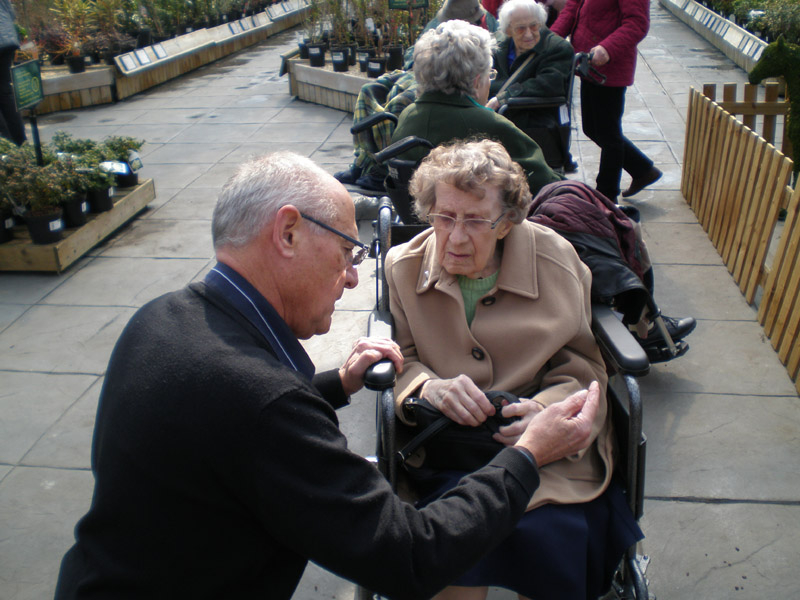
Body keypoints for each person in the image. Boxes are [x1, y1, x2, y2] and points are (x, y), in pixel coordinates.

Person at [54, 151, 603, 600]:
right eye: (346, 250)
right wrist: (528, 454)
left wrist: (339, 383)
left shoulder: (161, 319)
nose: (349, 278)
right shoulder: (263, 404)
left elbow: (227, 423)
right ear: (288, 233)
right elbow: (411, 557)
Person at [385, 139, 643, 600]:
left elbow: (582, 365)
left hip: (548, 454)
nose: (456, 237)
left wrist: (545, 411)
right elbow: (400, 359)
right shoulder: (403, 269)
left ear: (506, 223)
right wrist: (426, 388)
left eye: (475, 221)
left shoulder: (555, 258)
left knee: (552, 538)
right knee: (448, 550)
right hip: (450, 449)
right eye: (445, 217)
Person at [391, 20, 561, 212]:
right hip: (481, 228)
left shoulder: (407, 115)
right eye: (490, 75)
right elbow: (545, 182)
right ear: (476, 82)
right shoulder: (490, 125)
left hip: (418, 223)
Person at [335, 0, 498, 194]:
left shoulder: (489, 27)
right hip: (426, 74)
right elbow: (413, 52)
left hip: (450, 80)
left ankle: (382, 167)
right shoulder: (437, 24)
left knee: (401, 100)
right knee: (371, 88)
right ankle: (364, 160)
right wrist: (420, 62)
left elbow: (490, 67)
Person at [550, 0, 662, 202]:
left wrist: (608, 48)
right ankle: (643, 170)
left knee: (609, 135)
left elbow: (637, 23)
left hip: (610, 66)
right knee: (592, 129)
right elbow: (572, 8)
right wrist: (550, 40)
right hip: (588, 64)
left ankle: (606, 195)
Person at [487, 0, 577, 171]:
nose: (529, 34)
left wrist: (503, 98)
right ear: (508, 30)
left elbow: (549, 84)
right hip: (498, 117)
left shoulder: (557, 48)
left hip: (533, 119)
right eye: (521, 28)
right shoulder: (497, 43)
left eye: (534, 26)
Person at [0, 0, 26, 146]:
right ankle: (20, 141)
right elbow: (11, 13)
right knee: (5, 92)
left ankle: (5, 146)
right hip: (7, 40)